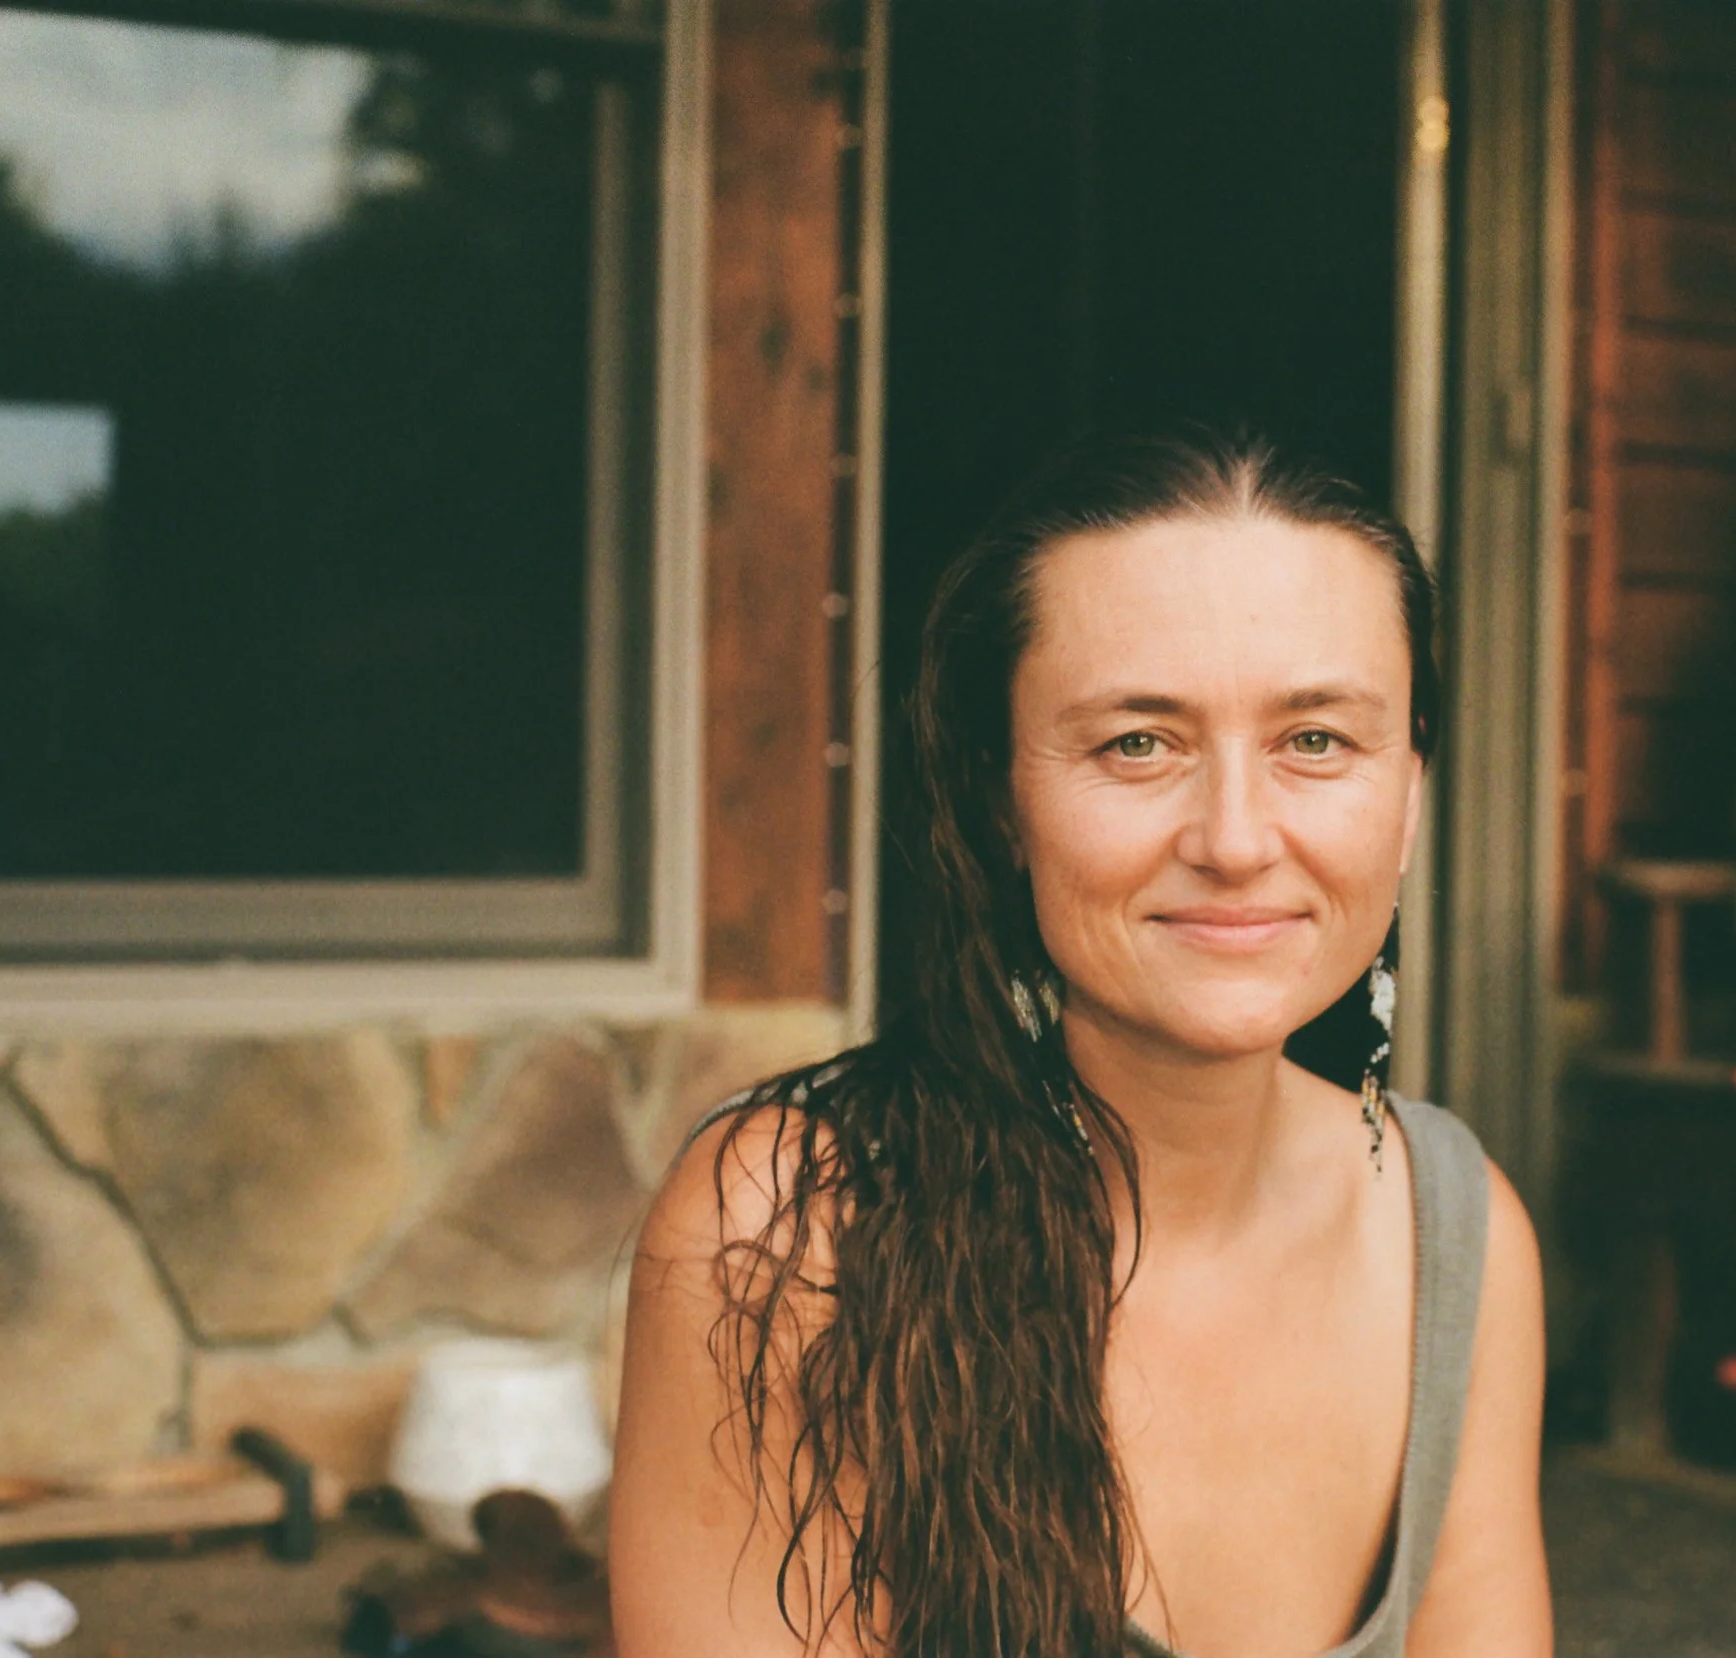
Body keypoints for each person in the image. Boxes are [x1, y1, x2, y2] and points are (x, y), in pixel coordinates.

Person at [610, 431, 1550, 1656]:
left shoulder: (1455, 1238)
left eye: (1315, 739)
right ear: (1002, 796)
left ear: (1411, 793)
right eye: (1136, 743)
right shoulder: (788, 1233)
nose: (1234, 836)